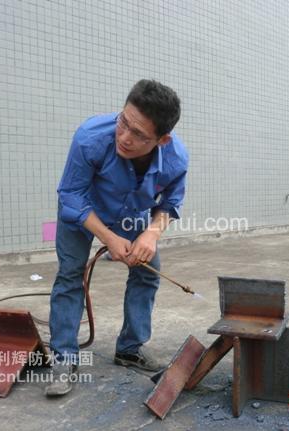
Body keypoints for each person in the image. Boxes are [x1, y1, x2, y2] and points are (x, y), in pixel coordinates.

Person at [45, 80, 188, 396]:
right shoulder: (90, 137)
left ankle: (129, 348)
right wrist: (109, 238)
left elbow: (170, 203)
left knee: (148, 272)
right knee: (70, 275)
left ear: (162, 140)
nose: (124, 137)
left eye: (139, 134)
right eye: (123, 122)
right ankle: (64, 358)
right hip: (82, 211)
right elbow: (70, 194)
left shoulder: (176, 159)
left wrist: (151, 234)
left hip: (131, 213)